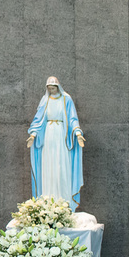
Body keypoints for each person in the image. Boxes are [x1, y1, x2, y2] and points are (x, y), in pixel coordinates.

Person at [26, 76, 85, 209]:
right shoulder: (45, 100)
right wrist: (33, 135)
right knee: (49, 166)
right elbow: (38, 120)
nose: (51, 90)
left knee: (61, 166)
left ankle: (63, 202)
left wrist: (78, 133)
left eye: (53, 88)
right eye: (49, 89)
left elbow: (72, 118)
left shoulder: (66, 99)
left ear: (58, 87)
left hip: (61, 134)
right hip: (48, 136)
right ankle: (48, 202)